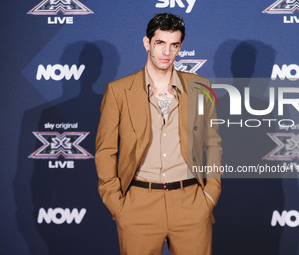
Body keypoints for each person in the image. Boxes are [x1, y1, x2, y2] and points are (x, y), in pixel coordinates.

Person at [95, 13, 222, 255]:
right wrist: (117, 204)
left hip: (191, 202)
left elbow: (213, 142)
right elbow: (105, 150)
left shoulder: (199, 87)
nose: (167, 52)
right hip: (138, 204)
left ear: (180, 47)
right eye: (160, 43)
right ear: (147, 43)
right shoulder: (119, 91)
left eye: (174, 45)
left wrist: (210, 194)